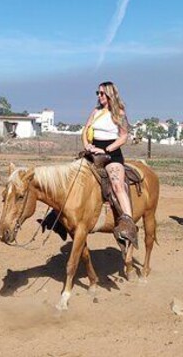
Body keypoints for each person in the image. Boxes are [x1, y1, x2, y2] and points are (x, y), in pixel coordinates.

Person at [82, 81, 137, 245]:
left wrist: (106, 150)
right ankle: (57, 218)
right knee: (72, 177)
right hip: (93, 151)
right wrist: (87, 145)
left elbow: (123, 137)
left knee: (117, 184)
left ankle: (128, 223)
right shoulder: (95, 111)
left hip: (112, 153)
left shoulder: (119, 112)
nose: (99, 96)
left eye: (102, 93)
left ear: (110, 94)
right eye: (97, 93)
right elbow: (86, 130)